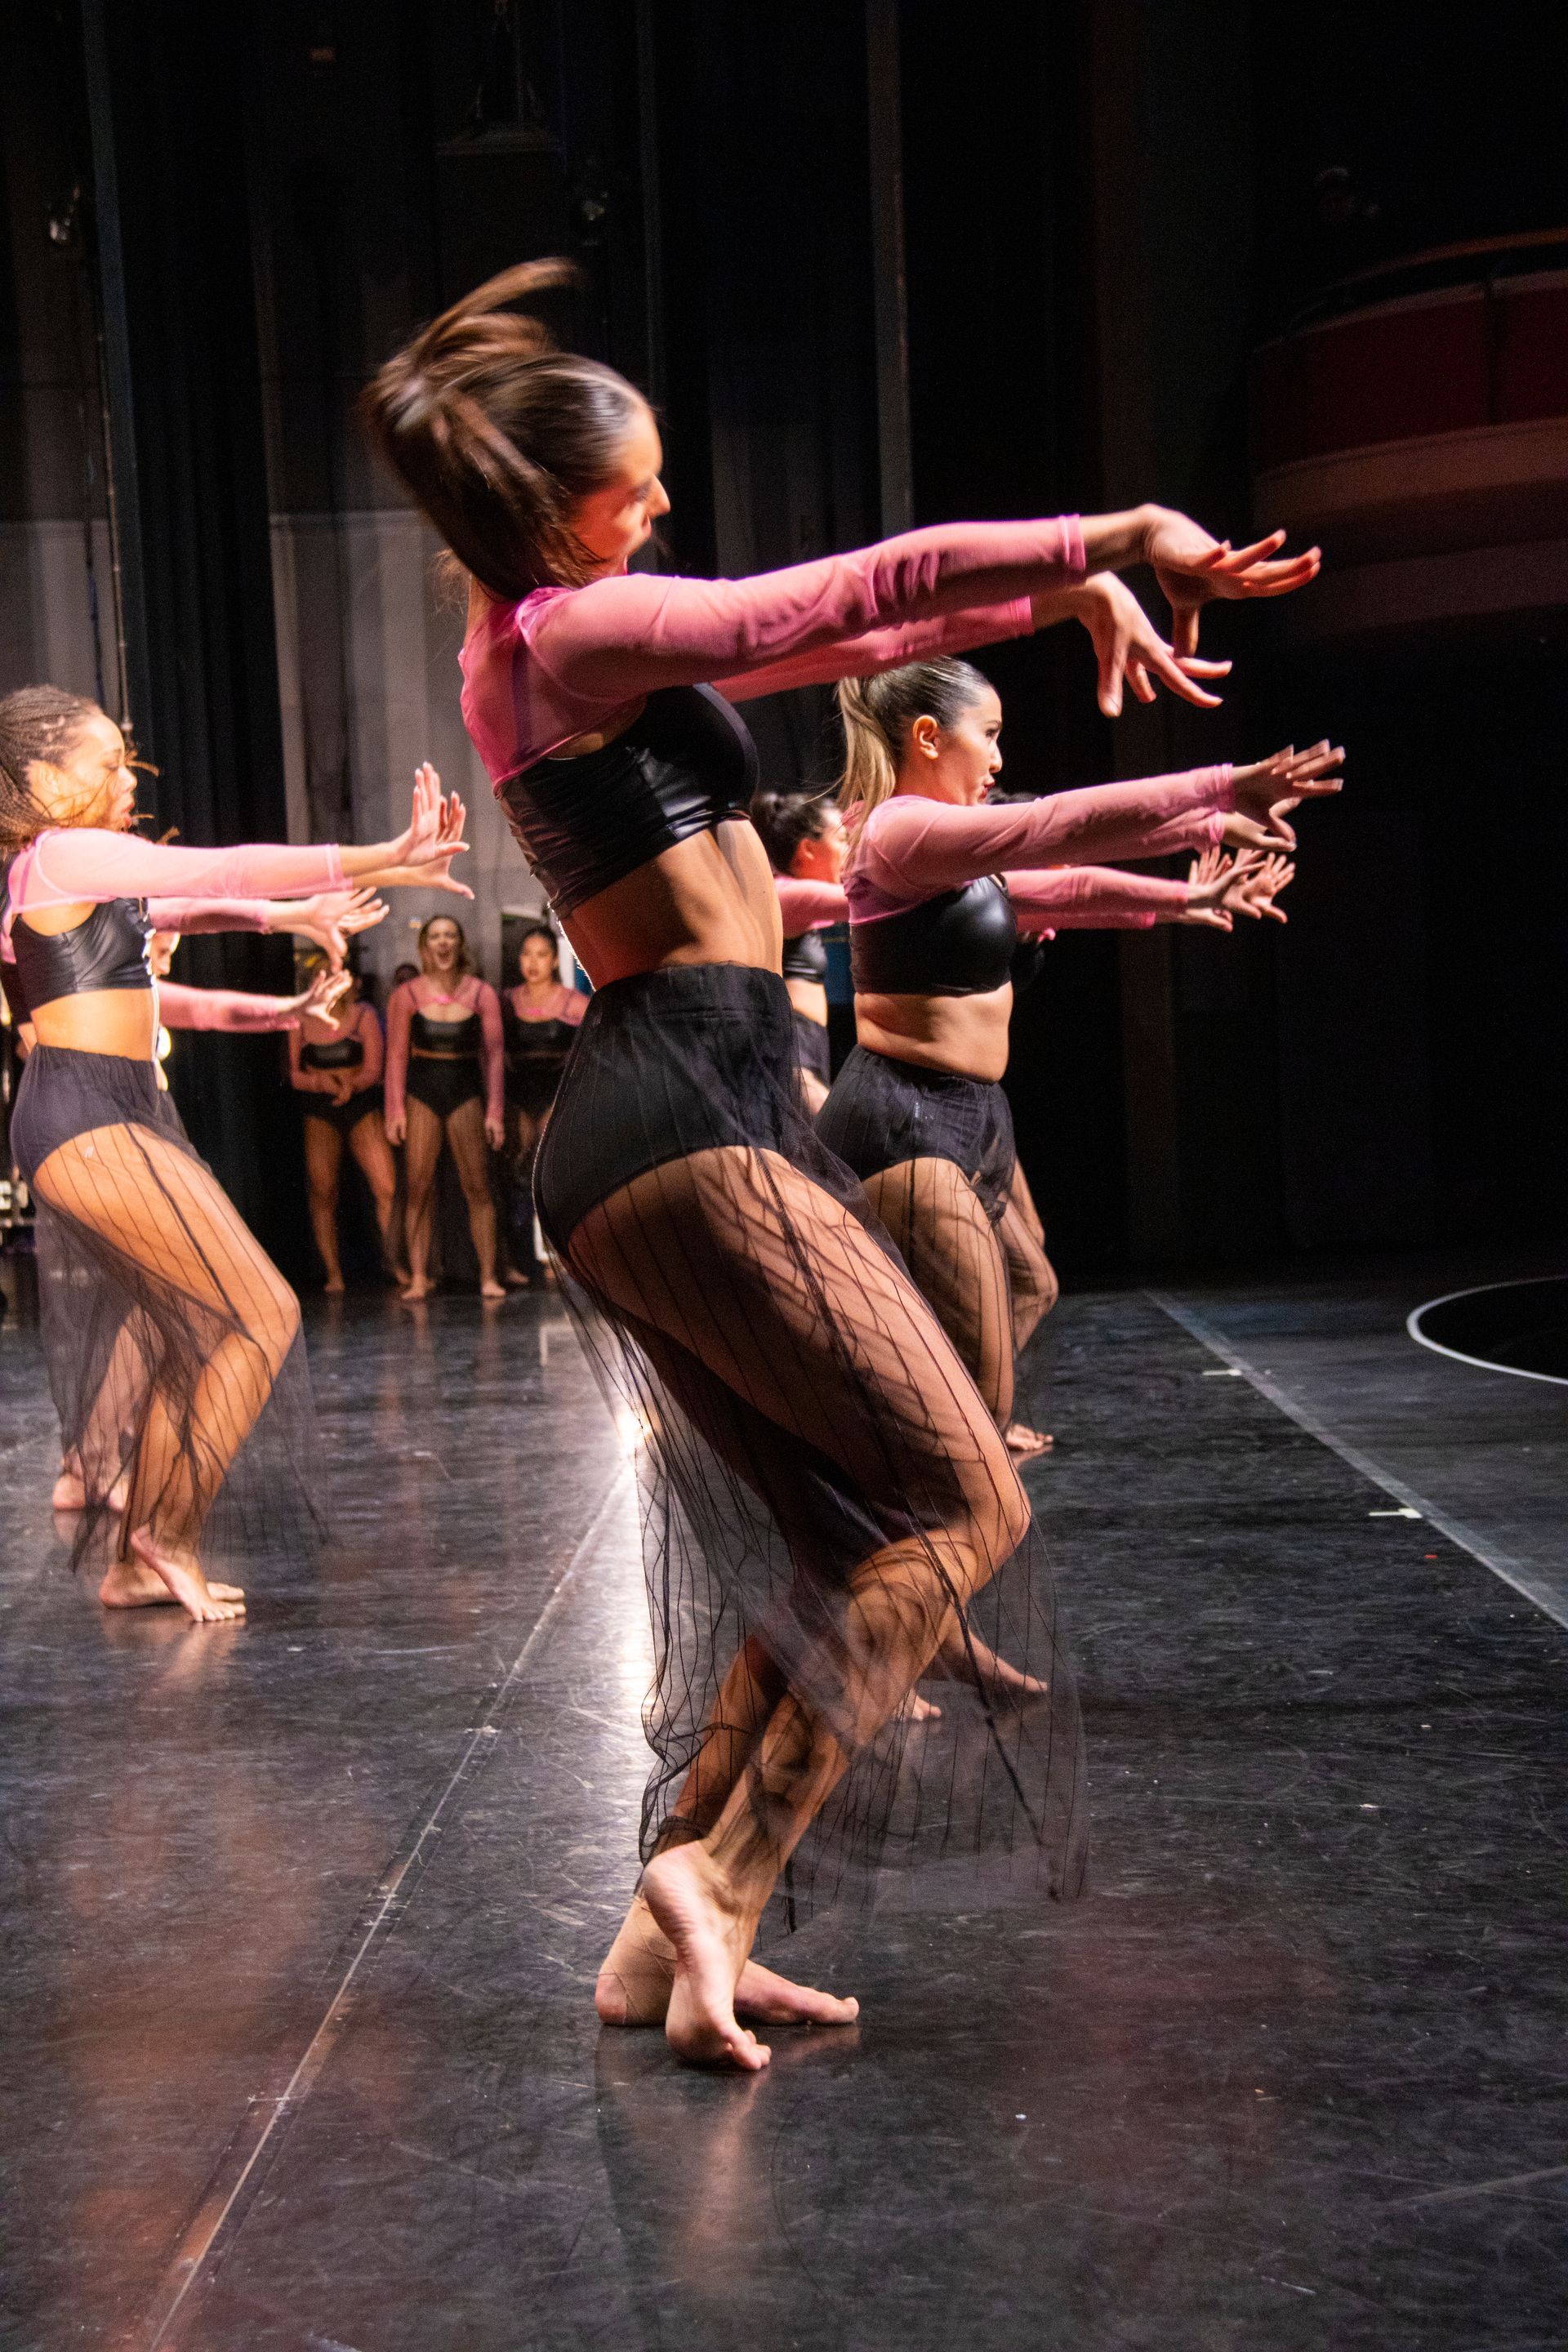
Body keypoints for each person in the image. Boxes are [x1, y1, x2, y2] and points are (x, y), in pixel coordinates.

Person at [361, 255, 1322, 2069]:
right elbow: (854, 588)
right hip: (684, 1113)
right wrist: (1109, 524)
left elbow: (866, 637)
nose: (660, 505)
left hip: (686, 1108)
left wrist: (1067, 587)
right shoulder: (562, 637)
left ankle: (669, 1930)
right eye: (631, 485)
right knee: (966, 1507)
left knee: (840, 1541)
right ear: (541, 509)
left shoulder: (568, 636)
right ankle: (719, 1885)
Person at [0, 688, 468, 1620]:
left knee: (199, 1324)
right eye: (105, 765)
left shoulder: (71, 870)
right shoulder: (56, 852)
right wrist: (385, 853)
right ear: (46, 782)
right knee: (259, 1314)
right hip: (86, 1110)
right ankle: (159, 1534)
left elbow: (184, 906)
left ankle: (143, 1557)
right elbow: (222, 867)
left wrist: (285, 925)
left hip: (108, 1106)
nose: (125, 779)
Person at [816, 659, 1321, 1456]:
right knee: (975, 1383)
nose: (998, 759)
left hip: (970, 1108)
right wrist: (1217, 789)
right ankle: (932, 1475)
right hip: (905, 1110)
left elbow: (1071, 885)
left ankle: (947, 1444)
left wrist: (1191, 891)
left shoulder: (956, 856)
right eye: (988, 736)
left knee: (1029, 1283)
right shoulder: (901, 830)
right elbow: (1053, 824)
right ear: (926, 737)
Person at [384, 911, 506, 1302]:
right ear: (424, 947)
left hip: (465, 1090)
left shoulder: (481, 993)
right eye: (435, 936)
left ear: (460, 943)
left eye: (450, 935)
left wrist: (495, 1112)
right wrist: (395, 1110)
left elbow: (493, 1057)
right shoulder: (407, 995)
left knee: (477, 1186)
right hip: (422, 1091)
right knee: (418, 1186)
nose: (443, 942)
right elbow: (397, 1056)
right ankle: (419, 1276)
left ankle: (488, 1275)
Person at [289, 966, 404, 1293]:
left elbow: (374, 1067)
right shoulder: (300, 1018)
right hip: (319, 1107)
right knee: (323, 1192)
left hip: (359, 1103)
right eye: (323, 978)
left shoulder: (362, 1015)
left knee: (387, 1188)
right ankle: (333, 1273)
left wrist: (350, 1085)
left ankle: (396, 1264)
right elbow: (294, 1074)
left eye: (338, 978)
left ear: (351, 982)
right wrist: (321, 1082)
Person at [749, 788, 849, 1112]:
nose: (850, 850)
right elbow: (870, 899)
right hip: (791, 1047)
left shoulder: (792, 897)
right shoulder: (787, 894)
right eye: (843, 839)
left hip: (807, 1045)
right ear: (808, 849)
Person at [502, 920, 586, 1279]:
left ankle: (558, 1256)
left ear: (554, 960)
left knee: (550, 1175)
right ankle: (523, 1260)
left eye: (541, 955)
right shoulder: (507, 1001)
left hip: (558, 1094)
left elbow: (594, 1054)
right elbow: (493, 1053)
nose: (533, 962)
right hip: (518, 1095)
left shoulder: (574, 1003)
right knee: (519, 1173)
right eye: (526, 954)